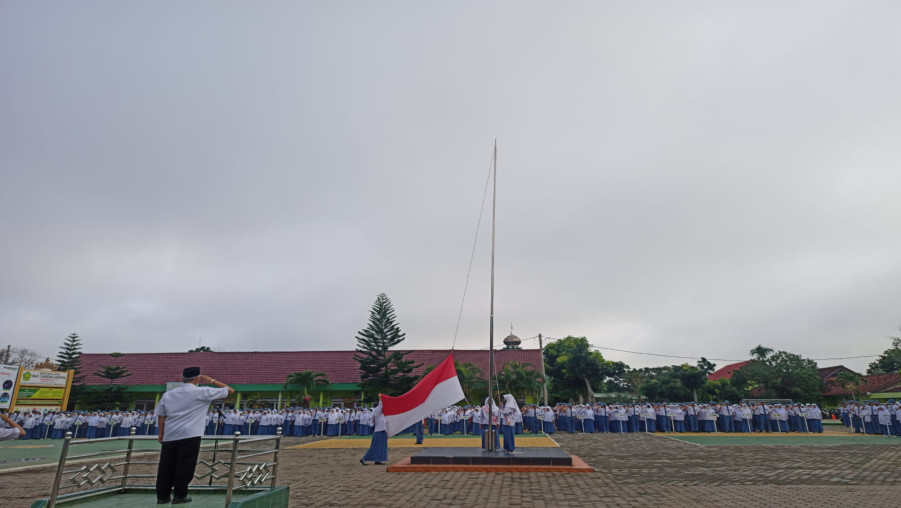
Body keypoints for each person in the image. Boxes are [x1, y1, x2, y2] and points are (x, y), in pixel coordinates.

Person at [155, 367, 233, 505]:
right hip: (190, 434)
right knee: (185, 465)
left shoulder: (169, 394)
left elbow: (162, 415)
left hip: (171, 434)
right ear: (197, 379)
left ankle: (162, 496)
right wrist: (211, 380)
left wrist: (161, 433)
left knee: (166, 466)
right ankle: (180, 495)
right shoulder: (202, 391)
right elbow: (230, 390)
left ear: (183, 378)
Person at [360, 397, 387, 465]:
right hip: (378, 432)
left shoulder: (383, 415)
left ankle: (378, 460)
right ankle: (364, 459)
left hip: (383, 432)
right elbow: (379, 407)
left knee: (381, 447)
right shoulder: (377, 414)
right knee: (374, 447)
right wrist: (381, 399)